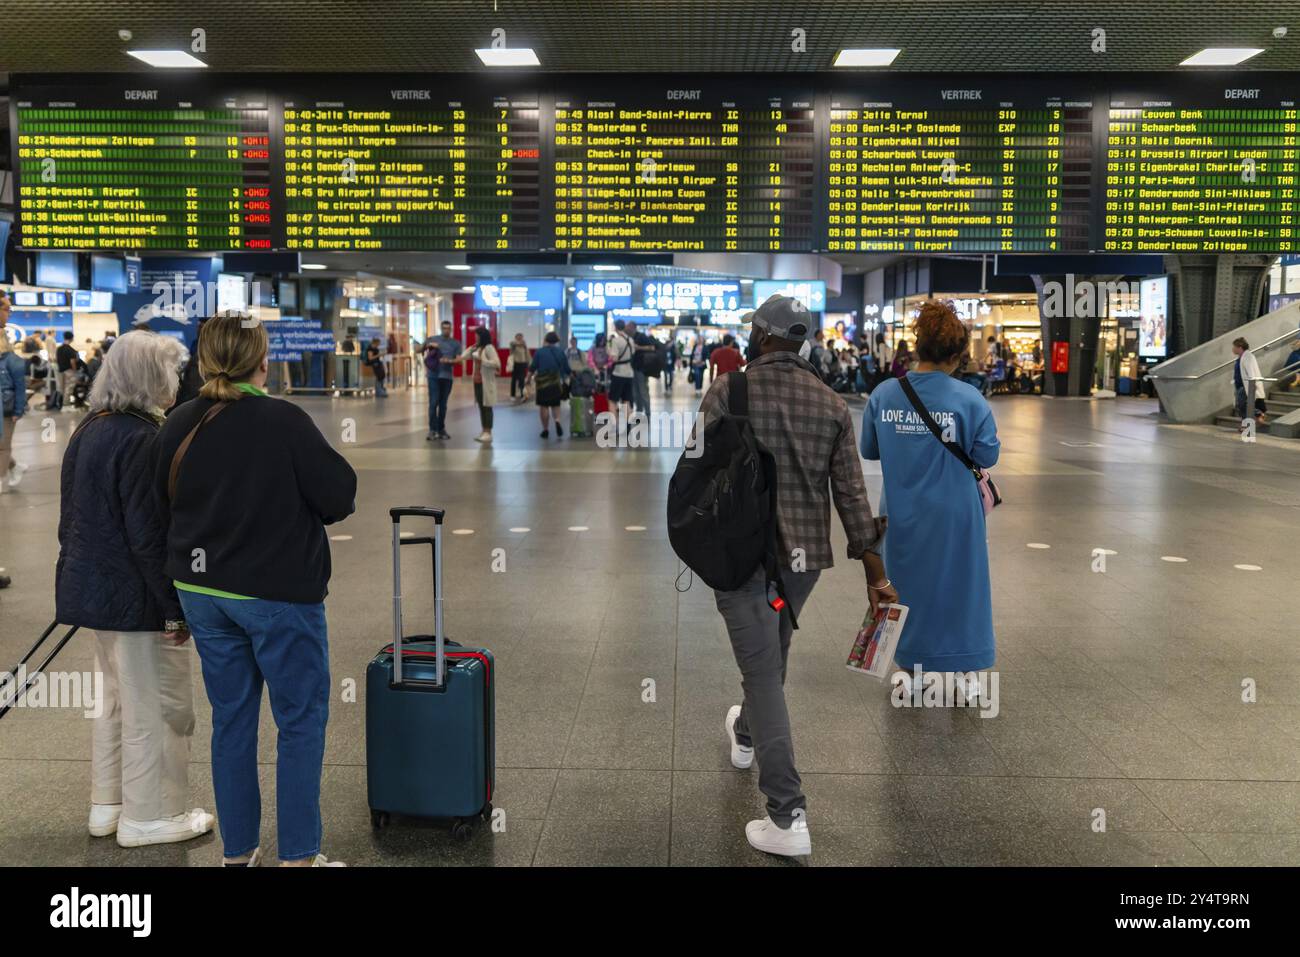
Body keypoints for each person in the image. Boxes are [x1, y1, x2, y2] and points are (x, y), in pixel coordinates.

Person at [695, 295, 893, 858]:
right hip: (802, 563)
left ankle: (787, 814)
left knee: (762, 675)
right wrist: (875, 577)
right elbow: (853, 496)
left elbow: (696, 472)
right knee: (769, 657)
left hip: (741, 557)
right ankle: (744, 736)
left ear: (760, 337)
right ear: (801, 343)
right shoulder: (831, 403)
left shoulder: (728, 391)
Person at [155, 314, 357, 867]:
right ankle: (298, 856)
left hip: (202, 594)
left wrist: (172, 608)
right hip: (277, 596)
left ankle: (238, 852)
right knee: (299, 721)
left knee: (232, 720)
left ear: (202, 360)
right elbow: (339, 496)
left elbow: (160, 513)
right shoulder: (283, 421)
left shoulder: (177, 423)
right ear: (262, 360)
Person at [54, 330, 216, 847]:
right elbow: (149, 537)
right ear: (151, 378)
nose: (177, 381)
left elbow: (69, 522)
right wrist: (174, 609)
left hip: (94, 594)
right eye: (170, 372)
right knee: (159, 708)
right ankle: (152, 815)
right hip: (137, 598)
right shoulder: (144, 438)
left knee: (115, 702)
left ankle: (109, 804)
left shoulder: (90, 428)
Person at [860, 301, 1000, 700]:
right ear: (957, 356)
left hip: (901, 513)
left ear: (917, 347)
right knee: (962, 585)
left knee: (905, 586)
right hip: (957, 514)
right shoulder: (970, 399)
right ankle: (966, 671)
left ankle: (911, 669)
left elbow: (869, 449)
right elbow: (987, 455)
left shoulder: (885, 395)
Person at [0, 292, 31, 492]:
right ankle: (15, 466)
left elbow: (19, 382)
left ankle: (1, 479)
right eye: (6, 309)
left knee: (2, 445)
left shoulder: (8, 350)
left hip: (6, 405)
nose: (9, 314)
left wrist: (19, 408)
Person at [453, 326, 500, 443]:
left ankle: (488, 432)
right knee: (481, 406)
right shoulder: (477, 348)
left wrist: (482, 361)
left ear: (482, 336)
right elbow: (464, 356)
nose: (475, 337)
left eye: (477, 335)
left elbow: (496, 363)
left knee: (487, 407)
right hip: (477, 382)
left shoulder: (489, 348)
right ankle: (484, 431)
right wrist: (472, 348)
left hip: (486, 382)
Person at [423, 320, 462, 440]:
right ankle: (432, 430)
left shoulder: (455, 343)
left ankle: (441, 429)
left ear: (451, 329)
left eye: (448, 328)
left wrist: (449, 361)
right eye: (444, 328)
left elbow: (459, 360)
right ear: (441, 328)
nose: (446, 330)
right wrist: (427, 345)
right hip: (433, 376)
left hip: (447, 377)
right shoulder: (433, 339)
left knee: (443, 404)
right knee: (433, 402)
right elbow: (418, 349)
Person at [529, 330, 570, 439]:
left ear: (546, 340)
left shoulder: (539, 352)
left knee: (544, 406)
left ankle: (545, 429)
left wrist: (527, 380)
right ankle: (557, 421)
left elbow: (532, 368)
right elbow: (566, 368)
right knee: (556, 405)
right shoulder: (560, 352)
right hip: (556, 382)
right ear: (556, 341)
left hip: (542, 383)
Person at [1232, 337, 1266, 430]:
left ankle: (1258, 414)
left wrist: (1253, 384)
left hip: (1246, 385)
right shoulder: (1241, 357)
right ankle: (1246, 423)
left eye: (1234, 347)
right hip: (1240, 385)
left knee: (1242, 405)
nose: (1233, 349)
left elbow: (1251, 372)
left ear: (1240, 347)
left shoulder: (1248, 356)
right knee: (1240, 405)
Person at [607, 319, 636, 427]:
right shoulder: (630, 340)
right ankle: (629, 426)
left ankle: (613, 427)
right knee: (627, 400)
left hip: (618, 373)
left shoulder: (616, 340)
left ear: (615, 327)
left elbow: (614, 358)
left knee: (612, 401)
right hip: (629, 373)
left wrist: (609, 350)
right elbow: (633, 353)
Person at [627, 321, 654, 419]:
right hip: (633, 368)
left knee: (643, 390)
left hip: (642, 368)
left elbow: (652, 347)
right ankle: (638, 411)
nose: (627, 329)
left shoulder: (641, 337)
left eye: (628, 327)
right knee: (635, 391)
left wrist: (638, 348)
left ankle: (647, 412)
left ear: (633, 327)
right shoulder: (629, 338)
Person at [56, 331, 80, 412]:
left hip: (60, 371)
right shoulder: (70, 350)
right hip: (69, 371)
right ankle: (66, 406)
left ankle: (62, 404)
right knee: (69, 388)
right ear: (72, 338)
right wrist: (75, 371)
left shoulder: (59, 349)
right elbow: (72, 362)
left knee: (62, 388)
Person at [508, 333, 531, 401]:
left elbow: (527, 354)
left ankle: (522, 395)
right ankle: (512, 395)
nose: (520, 338)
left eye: (521, 337)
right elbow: (512, 345)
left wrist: (528, 363)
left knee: (522, 380)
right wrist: (519, 344)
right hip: (515, 364)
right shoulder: (513, 344)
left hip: (523, 364)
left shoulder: (524, 345)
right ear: (516, 337)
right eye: (518, 337)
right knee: (514, 380)